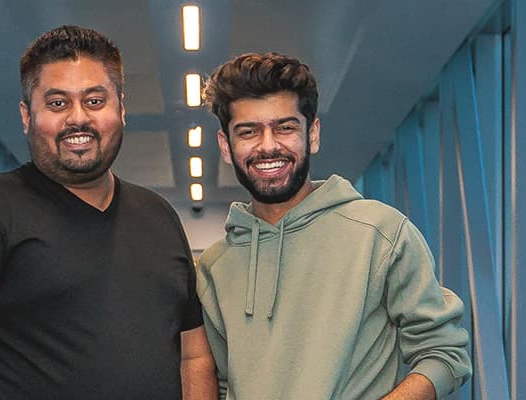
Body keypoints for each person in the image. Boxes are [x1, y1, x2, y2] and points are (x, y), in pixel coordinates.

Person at [0, 25, 217, 399]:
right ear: (27, 116)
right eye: (57, 103)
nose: (78, 118)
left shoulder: (159, 216)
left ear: (121, 108)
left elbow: (193, 355)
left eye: (94, 101)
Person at [194, 52, 473, 399]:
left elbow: (444, 353)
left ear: (312, 134)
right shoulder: (215, 266)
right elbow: (222, 385)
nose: (268, 146)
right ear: (226, 145)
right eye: (248, 132)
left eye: (285, 127)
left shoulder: (381, 234)